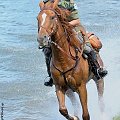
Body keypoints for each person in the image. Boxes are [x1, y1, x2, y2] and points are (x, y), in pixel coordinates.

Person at [42, 0, 108, 87]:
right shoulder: (47, 2)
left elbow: (76, 21)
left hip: (73, 28)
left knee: (87, 48)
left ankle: (97, 70)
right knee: (46, 50)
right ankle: (51, 77)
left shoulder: (69, 2)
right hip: (56, 31)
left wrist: (64, 26)